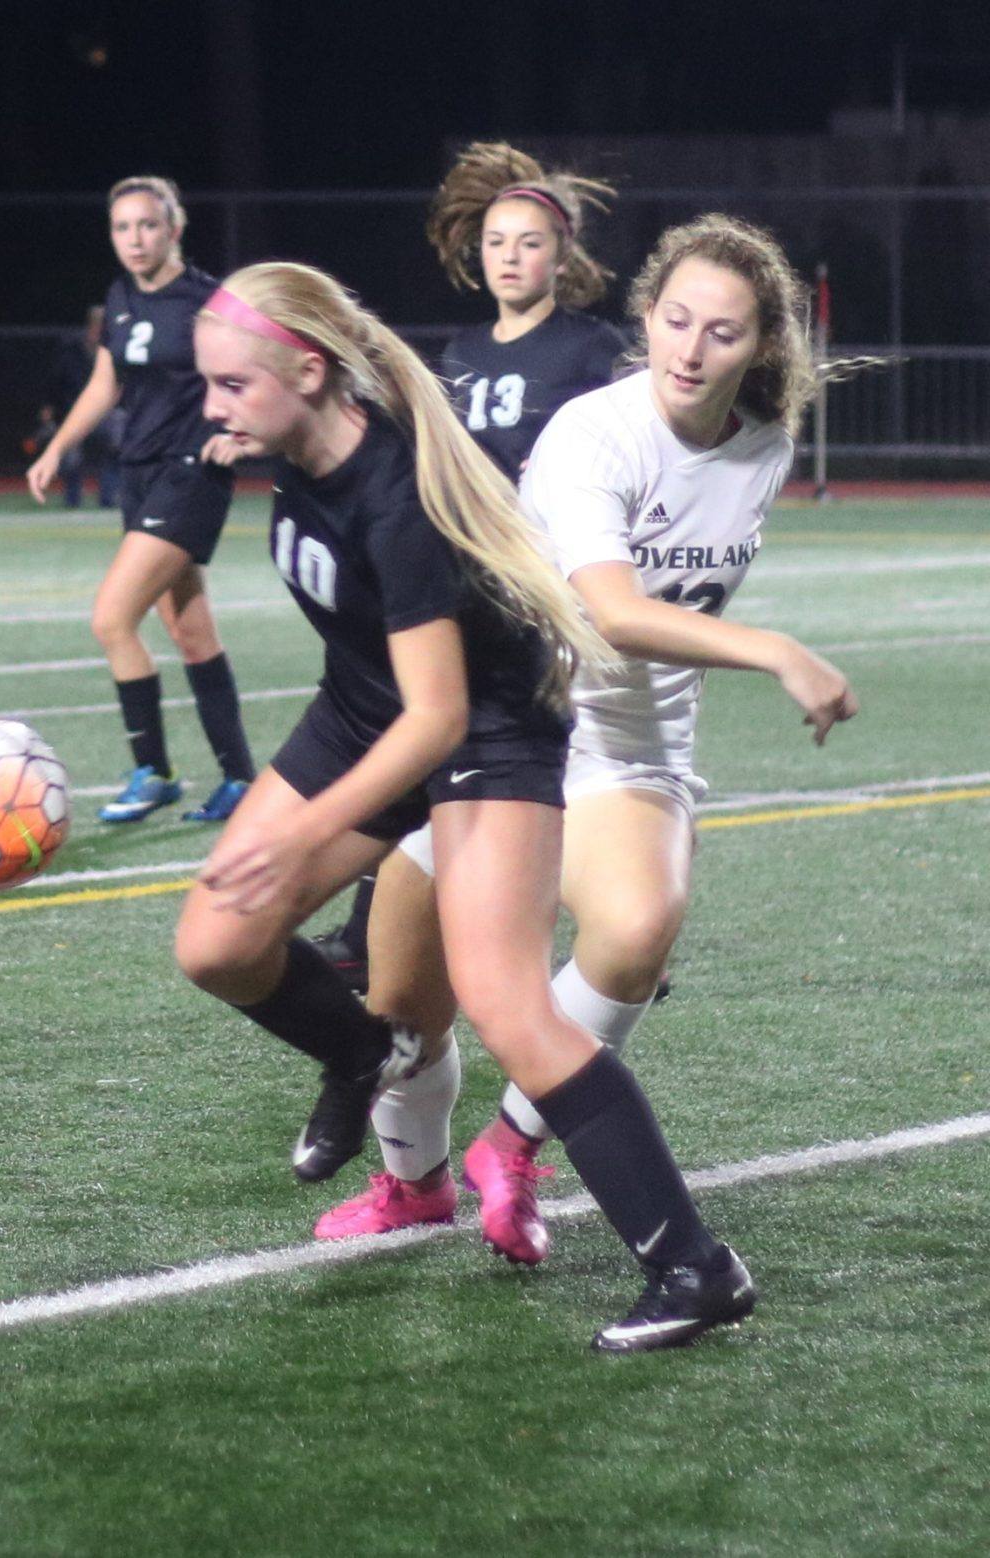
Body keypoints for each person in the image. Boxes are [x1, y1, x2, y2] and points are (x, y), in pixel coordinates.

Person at [175, 258, 757, 1354]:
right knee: (216, 938)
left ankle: (694, 1263)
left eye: (230, 387)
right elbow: (385, 692)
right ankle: (363, 1055)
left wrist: (303, 832)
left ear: (307, 372)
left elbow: (438, 719)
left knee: (507, 1006)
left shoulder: (394, 496)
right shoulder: (299, 433)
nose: (213, 405)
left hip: (480, 729)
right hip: (363, 714)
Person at [315, 214, 860, 1299]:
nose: (692, 349)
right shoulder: (591, 434)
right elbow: (605, 608)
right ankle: (412, 1184)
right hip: (508, 717)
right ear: (647, 314)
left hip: (632, 741)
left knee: (637, 930)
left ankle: (513, 1144)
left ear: (765, 348)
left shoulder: (766, 444)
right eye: (676, 319)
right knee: (403, 1001)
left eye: (725, 331)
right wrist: (774, 649)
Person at [312, 140, 628, 991]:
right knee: (426, 740)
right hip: (470, 587)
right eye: (496, 243)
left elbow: (628, 450)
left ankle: (610, 921)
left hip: (554, 593)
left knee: (563, 763)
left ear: (562, 255)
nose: (511, 258)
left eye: (529, 243)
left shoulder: (591, 350)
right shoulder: (460, 350)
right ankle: (363, 929)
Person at [26, 175, 256, 824]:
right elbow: (105, 383)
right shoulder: (121, 296)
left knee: (111, 619)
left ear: (175, 229)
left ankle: (153, 771)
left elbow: (259, 367)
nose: (135, 238)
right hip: (139, 476)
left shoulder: (209, 300)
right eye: (123, 227)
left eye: (148, 225)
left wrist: (242, 434)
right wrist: (57, 449)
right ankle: (239, 777)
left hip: (190, 474)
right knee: (189, 633)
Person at [36, 304, 122, 510]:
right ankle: (72, 498)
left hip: (108, 416)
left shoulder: (119, 349)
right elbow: (55, 382)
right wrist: (48, 408)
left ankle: (108, 497)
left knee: (119, 437)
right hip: (74, 413)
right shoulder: (71, 351)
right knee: (71, 454)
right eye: (97, 325)